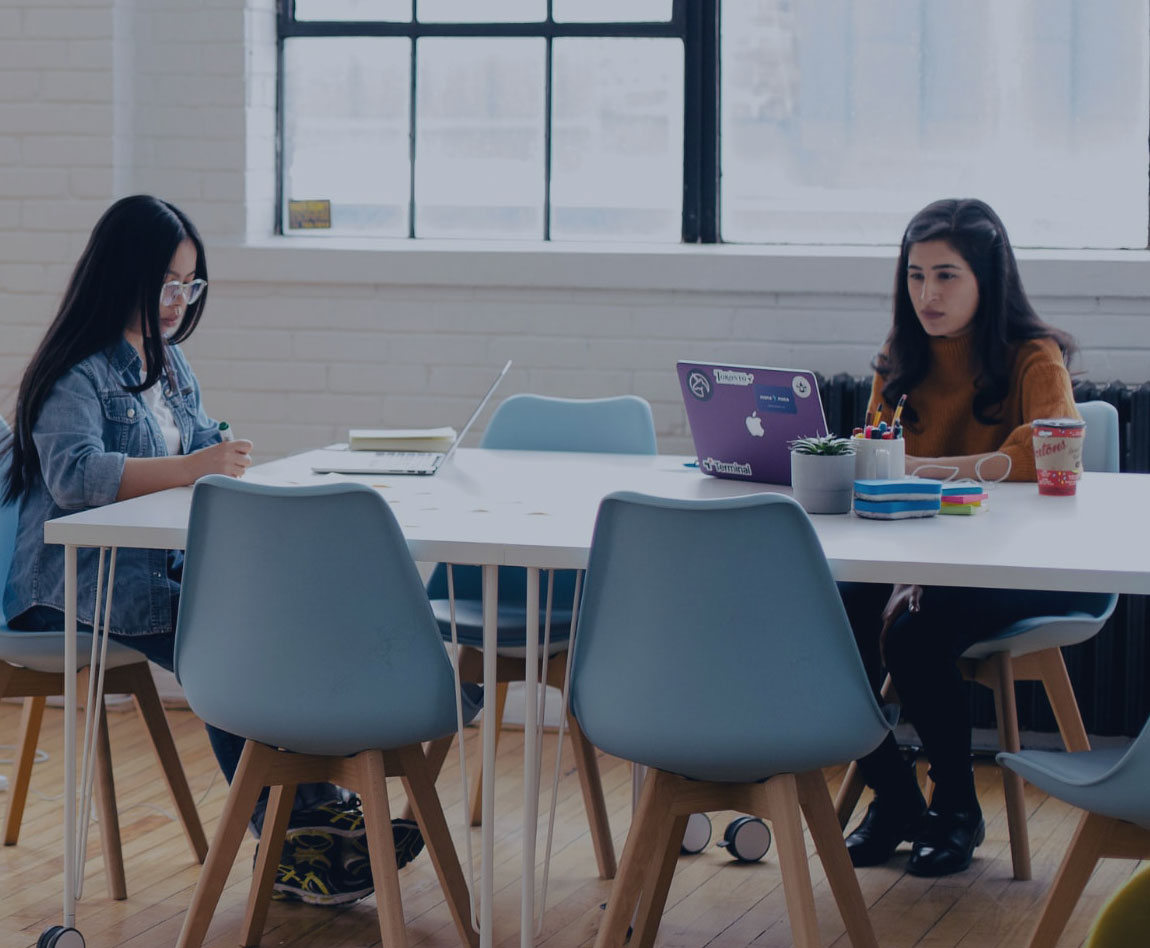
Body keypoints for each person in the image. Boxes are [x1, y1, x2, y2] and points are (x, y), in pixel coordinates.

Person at [0, 195, 422, 905]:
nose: (178, 300)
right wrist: (195, 467)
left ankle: (316, 818)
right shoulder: (76, 373)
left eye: (189, 285)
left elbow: (194, 446)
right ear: (121, 273)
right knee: (231, 643)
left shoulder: (169, 365)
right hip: (70, 590)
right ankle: (294, 834)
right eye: (167, 283)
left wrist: (216, 456)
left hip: (154, 575)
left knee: (275, 615)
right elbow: (75, 477)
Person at [840, 198, 1086, 876]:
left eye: (946, 276)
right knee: (827, 618)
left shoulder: (1032, 356)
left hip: (1015, 563)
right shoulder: (899, 359)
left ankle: (955, 807)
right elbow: (874, 455)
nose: (928, 294)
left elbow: (1047, 451)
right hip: (912, 553)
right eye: (916, 276)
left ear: (988, 278)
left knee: (914, 630)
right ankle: (893, 797)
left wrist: (924, 468)